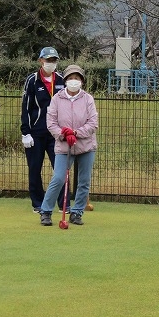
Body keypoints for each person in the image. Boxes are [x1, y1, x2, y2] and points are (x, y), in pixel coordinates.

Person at [39, 65, 98, 226]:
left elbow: (93, 123)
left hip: (85, 145)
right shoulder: (57, 99)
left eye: (77, 78)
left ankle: (77, 212)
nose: (74, 81)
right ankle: (45, 211)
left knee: (84, 181)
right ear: (65, 81)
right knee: (58, 178)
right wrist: (64, 134)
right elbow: (51, 123)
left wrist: (76, 133)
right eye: (71, 78)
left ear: (82, 81)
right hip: (64, 146)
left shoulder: (88, 99)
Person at [21, 46, 65, 214]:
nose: (51, 63)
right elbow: (26, 107)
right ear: (41, 61)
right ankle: (38, 203)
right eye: (48, 60)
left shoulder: (61, 79)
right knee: (34, 168)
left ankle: (63, 203)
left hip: (56, 134)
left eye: (53, 60)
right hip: (36, 133)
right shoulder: (32, 80)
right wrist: (25, 132)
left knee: (60, 169)